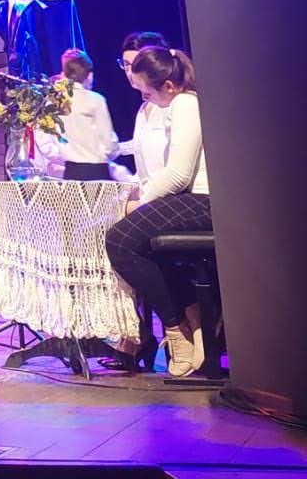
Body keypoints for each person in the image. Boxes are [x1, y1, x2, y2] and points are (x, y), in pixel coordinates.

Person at [103, 46, 212, 375]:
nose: (144, 98)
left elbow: (178, 175)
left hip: (202, 201)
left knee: (118, 241)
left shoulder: (185, 104)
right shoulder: (176, 104)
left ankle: (176, 328)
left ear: (168, 86)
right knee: (142, 244)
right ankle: (189, 316)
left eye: (147, 92)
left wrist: (140, 202)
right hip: (188, 199)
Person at [112, 31, 170, 182]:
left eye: (136, 65)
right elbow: (142, 147)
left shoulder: (173, 104)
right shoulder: (144, 108)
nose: (130, 72)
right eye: (126, 65)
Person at [55, 49, 120, 181]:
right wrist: (114, 153)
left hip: (70, 171)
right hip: (96, 170)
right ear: (89, 75)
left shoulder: (56, 101)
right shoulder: (95, 100)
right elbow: (108, 142)